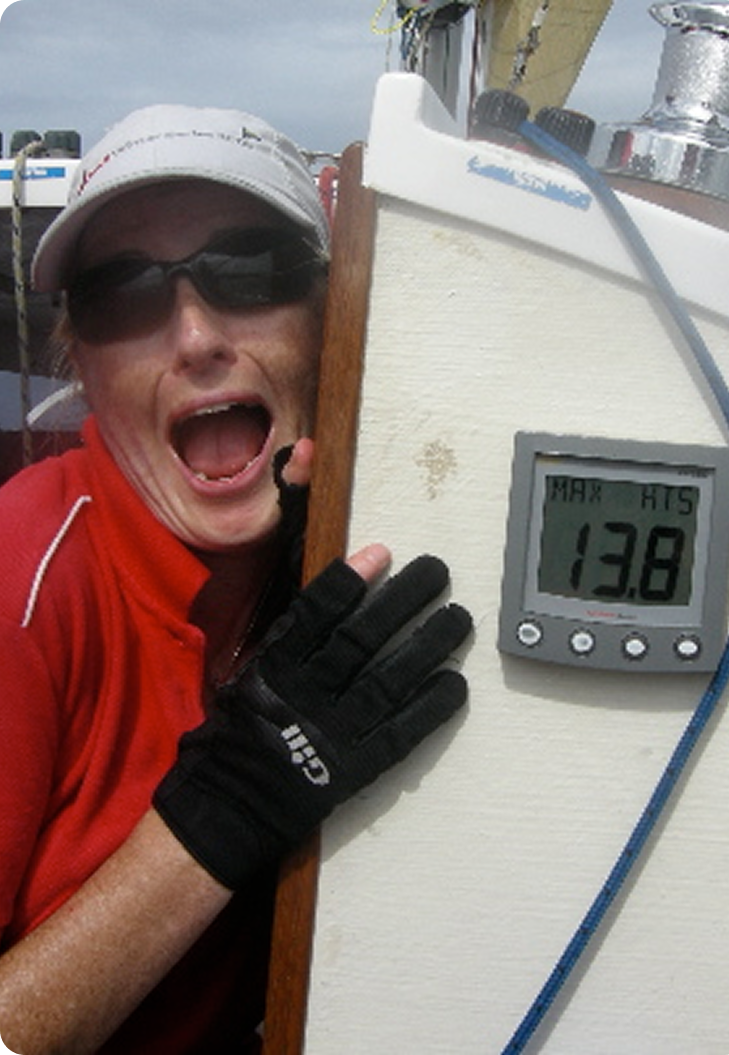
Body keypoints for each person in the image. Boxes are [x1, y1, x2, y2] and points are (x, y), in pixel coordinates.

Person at [0, 104, 471, 1053]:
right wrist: (227, 810)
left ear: (330, 318)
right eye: (122, 293)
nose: (194, 336)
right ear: (80, 359)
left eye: (249, 270)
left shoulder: (364, 543)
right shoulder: (22, 575)